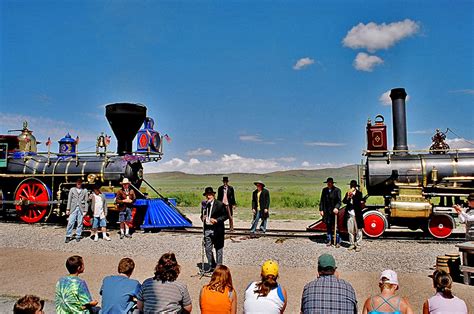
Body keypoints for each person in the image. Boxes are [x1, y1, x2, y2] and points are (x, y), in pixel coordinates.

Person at [201, 186, 228, 272]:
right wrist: (203, 218)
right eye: (207, 195)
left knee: (218, 249)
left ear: (213, 195)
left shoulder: (219, 204)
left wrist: (216, 220)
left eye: (210, 195)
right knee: (208, 249)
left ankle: (219, 268)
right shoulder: (204, 204)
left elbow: (226, 216)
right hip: (207, 229)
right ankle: (211, 265)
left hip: (217, 229)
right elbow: (202, 215)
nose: (208, 197)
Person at [319, 177, 342, 247]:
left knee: (336, 227)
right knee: (328, 227)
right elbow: (322, 201)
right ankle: (329, 240)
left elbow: (339, 201)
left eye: (330, 183)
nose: (329, 184)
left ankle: (337, 241)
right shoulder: (324, 190)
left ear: (332, 183)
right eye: (328, 183)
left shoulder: (337, 190)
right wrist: (321, 209)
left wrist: (336, 208)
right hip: (326, 212)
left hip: (334, 212)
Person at [343, 180, 364, 251]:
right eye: (351, 186)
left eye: (353, 186)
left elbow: (358, 202)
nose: (352, 187)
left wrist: (353, 196)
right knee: (350, 230)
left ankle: (358, 244)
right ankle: (352, 244)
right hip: (350, 214)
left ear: (355, 187)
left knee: (358, 230)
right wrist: (348, 197)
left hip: (357, 214)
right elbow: (344, 201)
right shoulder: (348, 193)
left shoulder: (359, 193)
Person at [65, 178, 88, 243]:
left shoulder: (85, 190)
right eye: (78, 182)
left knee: (80, 222)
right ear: (76, 183)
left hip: (81, 208)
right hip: (73, 208)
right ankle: (68, 236)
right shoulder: (72, 189)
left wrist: (85, 210)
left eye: (80, 182)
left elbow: (86, 201)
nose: (79, 183)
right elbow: (69, 199)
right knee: (70, 222)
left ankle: (78, 235)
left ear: (81, 183)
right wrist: (68, 209)